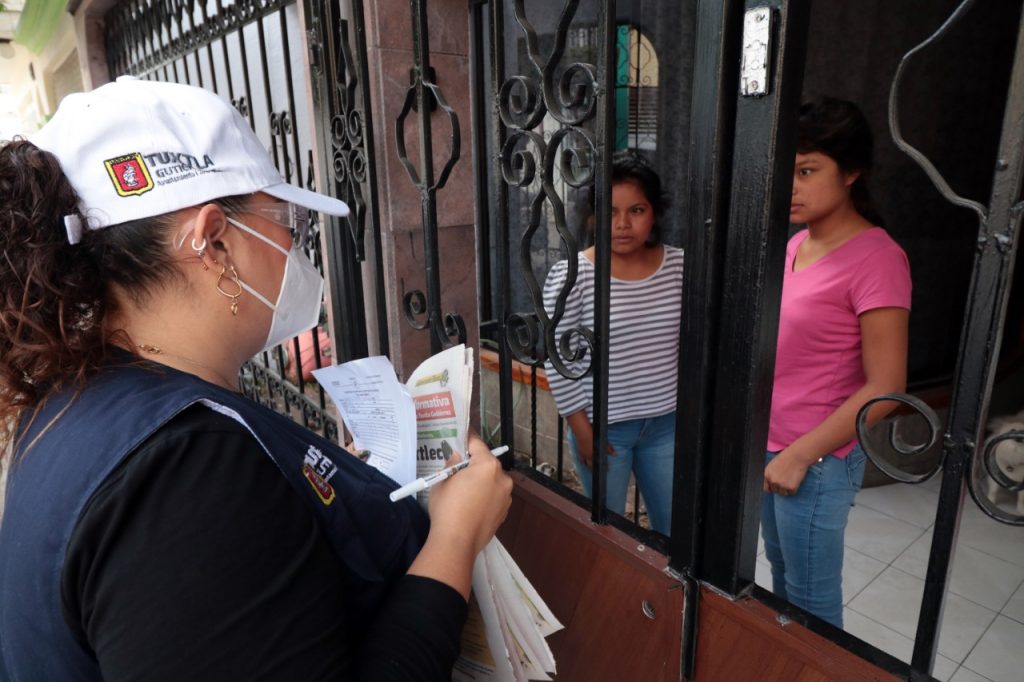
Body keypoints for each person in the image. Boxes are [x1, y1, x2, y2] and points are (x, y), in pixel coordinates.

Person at [0, 77, 512, 681]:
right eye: (279, 216)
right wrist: (455, 537)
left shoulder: (79, 398)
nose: (293, 240)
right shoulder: (182, 476)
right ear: (213, 242)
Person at [762, 97, 911, 629]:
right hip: (774, 444)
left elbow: (888, 385)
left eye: (807, 170)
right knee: (782, 581)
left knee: (811, 600)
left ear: (851, 172)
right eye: (787, 170)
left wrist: (801, 455)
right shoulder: (797, 243)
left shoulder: (877, 257)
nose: (792, 185)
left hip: (819, 459)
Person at [543, 150, 683, 535]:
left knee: (671, 533)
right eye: (611, 211)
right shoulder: (574, 275)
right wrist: (581, 428)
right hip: (604, 431)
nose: (622, 224)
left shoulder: (680, 267)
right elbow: (558, 358)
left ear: (654, 213)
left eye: (636, 210)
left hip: (665, 425)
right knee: (611, 532)